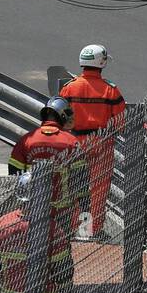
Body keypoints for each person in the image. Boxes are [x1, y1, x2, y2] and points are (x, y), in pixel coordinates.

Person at [58, 46, 124, 237]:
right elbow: (120, 124)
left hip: (74, 143)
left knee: (72, 187)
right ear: (101, 63)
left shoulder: (69, 88)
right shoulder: (110, 90)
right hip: (100, 143)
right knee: (98, 189)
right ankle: (90, 232)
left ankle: (73, 229)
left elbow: (60, 118)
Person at [8, 97, 88, 237]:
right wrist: (85, 211)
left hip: (31, 207)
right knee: (61, 250)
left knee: (31, 245)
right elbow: (81, 181)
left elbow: (14, 175)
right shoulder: (71, 142)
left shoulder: (27, 140)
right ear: (63, 116)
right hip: (61, 211)